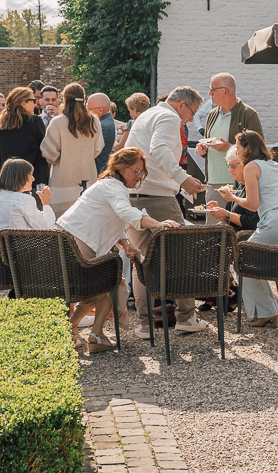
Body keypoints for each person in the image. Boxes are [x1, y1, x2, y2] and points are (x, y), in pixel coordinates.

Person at [59, 147, 178, 353]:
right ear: (121, 168)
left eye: (142, 172)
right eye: (136, 171)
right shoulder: (114, 187)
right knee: (109, 285)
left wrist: (125, 243)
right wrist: (157, 224)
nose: (139, 176)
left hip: (74, 241)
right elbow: (125, 212)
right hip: (79, 243)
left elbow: (112, 217)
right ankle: (82, 331)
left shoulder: (107, 185)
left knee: (111, 285)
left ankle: (90, 333)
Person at [124, 85, 210, 338]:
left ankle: (145, 324)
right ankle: (185, 318)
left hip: (133, 196)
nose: (192, 119)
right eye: (193, 112)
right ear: (182, 104)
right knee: (181, 256)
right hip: (159, 198)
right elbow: (160, 149)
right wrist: (183, 179)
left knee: (142, 262)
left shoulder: (146, 115)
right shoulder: (170, 117)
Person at [225, 131, 278, 328]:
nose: (236, 150)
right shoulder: (276, 165)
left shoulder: (251, 166)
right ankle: (267, 312)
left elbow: (252, 205)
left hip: (274, 220)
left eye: (238, 146)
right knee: (251, 262)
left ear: (248, 148)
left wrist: (232, 197)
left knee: (242, 261)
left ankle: (268, 311)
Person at [41, 83, 104, 216]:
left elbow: (49, 153)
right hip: (88, 179)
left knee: (62, 227)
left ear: (64, 99)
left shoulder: (58, 122)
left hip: (63, 182)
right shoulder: (94, 121)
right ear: (84, 99)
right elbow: (98, 149)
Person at [195, 73, 264, 192]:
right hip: (213, 183)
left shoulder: (248, 114)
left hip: (240, 184)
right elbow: (208, 145)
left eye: (212, 89)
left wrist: (230, 148)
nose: (209, 93)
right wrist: (202, 150)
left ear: (225, 91)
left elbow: (258, 150)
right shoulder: (212, 115)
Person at [0, 86, 50, 189]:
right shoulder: (35, 122)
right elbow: (45, 149)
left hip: (8, 180)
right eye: (33, 100)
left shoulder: (0, 125)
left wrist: (0, 179)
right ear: (23, 103)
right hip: (34, 179)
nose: (36, 103)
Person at [0, 158, 57, 234]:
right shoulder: (25, 199)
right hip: (21, 245)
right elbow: (47, 228)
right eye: (31, 175)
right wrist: (46, 202)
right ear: (20, 177)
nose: (33, 179)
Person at [206, 147, 261, 232]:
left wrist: (225, 214)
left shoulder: (254, 186)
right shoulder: (238, 184)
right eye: (229, 166)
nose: (230, 170)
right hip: (232, 236)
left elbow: (252, 223)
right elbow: (230, 224)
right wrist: (219, 213)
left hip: (245, 239)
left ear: (246, 165)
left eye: (233, 166)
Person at [87, 92, 118, 174]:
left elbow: (95, 151)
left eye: (89, 109)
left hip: (97, 169)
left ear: (100, 110)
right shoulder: (107, 120)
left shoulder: (101, 125)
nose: (86, 112)